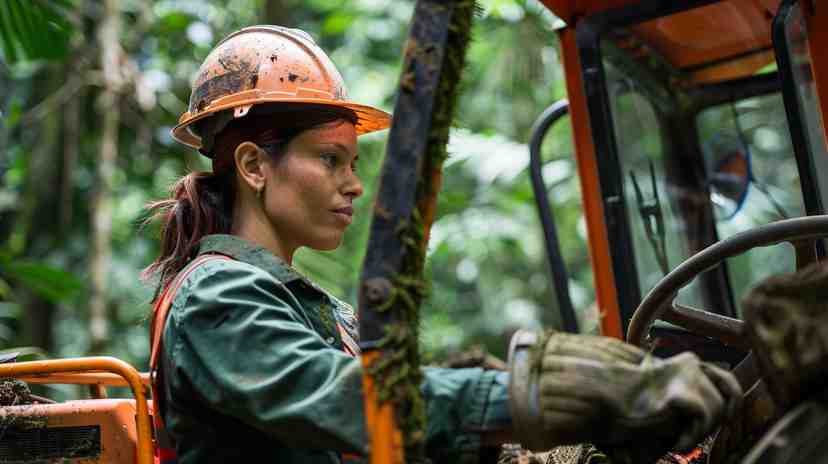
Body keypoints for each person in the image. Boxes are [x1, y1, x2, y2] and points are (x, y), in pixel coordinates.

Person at [144, 25, 742, 464]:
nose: (353, 184)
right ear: (253, 165)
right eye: (330, 160)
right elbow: (347, 403)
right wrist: (534, 395)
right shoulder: (216, 297)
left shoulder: (300, 302)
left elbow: (397, 419)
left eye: (352, 162)